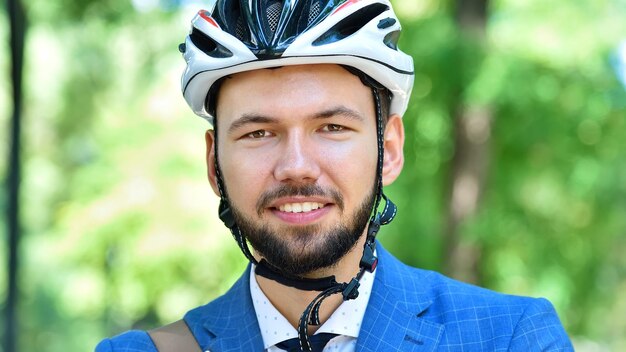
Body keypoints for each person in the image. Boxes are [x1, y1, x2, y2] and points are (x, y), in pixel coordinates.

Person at [96, 0, 573, 351]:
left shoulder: (511, 337)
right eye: (259, 133)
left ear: (388, 149)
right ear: (213, 166)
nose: (296, 166)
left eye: (332, 127)